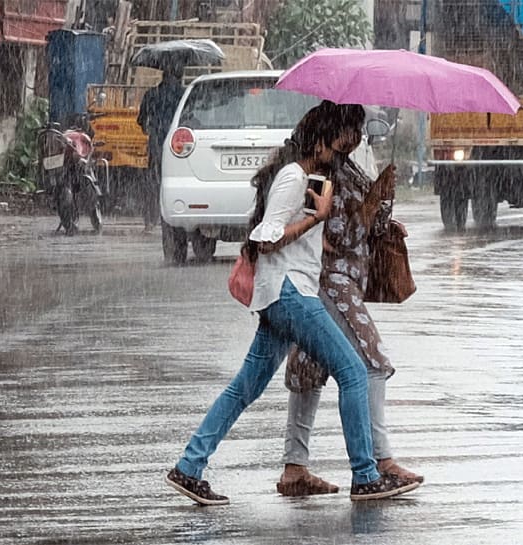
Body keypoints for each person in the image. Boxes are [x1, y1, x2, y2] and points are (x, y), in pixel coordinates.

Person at [165, 102, 421, 506]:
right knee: (353, 372)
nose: (344, 149)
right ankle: (366, 475)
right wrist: (316, 219)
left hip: (280, 294)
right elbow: (265, 238)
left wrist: (332, 231)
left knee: (243, 389)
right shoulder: (293, 176)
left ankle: (189, 467)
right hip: (291, 293)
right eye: (340, 140)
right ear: (321, 138)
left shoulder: (307, 176)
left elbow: (296, 236)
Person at [276, 104, 423, 497]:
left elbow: (364, 224)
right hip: (328, 282)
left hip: (344, 281)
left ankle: (295, 468)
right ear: (330, 130)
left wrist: (382, 203)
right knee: (372, 361)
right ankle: (380, 460)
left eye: (359, 128)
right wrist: (370, 206)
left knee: (308, 371)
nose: (355, 136)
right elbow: (329, 234)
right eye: (349, 128)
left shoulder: (347, 166)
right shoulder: (318, 173)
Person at [136, 64, 185, 233]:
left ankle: (150, 220)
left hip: (157, 143)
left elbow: (141, 120)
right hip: (179, 146)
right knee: (179, 181)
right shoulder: (184, 95)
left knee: (153, 183)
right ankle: (175, 216)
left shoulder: (152, 94)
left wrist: (150, 129)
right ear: (180, 76)